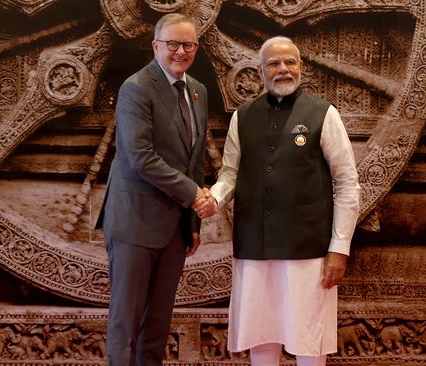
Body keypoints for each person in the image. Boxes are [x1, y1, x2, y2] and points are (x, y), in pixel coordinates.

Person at [203, 36, 360, 366]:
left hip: (309, 250)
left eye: (290, 62)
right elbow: (230, 175)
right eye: (273, 64)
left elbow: (347, 184)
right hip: (254, 246)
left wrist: (339, 248)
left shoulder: (323, 114)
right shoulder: (243, 117)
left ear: (301, 67)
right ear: (261, 71)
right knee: (260, 336)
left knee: (309, 340)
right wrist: (213, 201)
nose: (283, 69)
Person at [95, 13, 210, 366]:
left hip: (175, 228)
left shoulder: (198, 91)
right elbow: (139, 157)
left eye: (187, 44)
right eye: (172, 44)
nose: (180, 51)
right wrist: (193, 194)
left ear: (196, 48)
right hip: (134, 223)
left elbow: (195, 158)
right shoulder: (136, 87)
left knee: (158, 325)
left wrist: (192, 223)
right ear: (155, 46)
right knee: (126, 323)